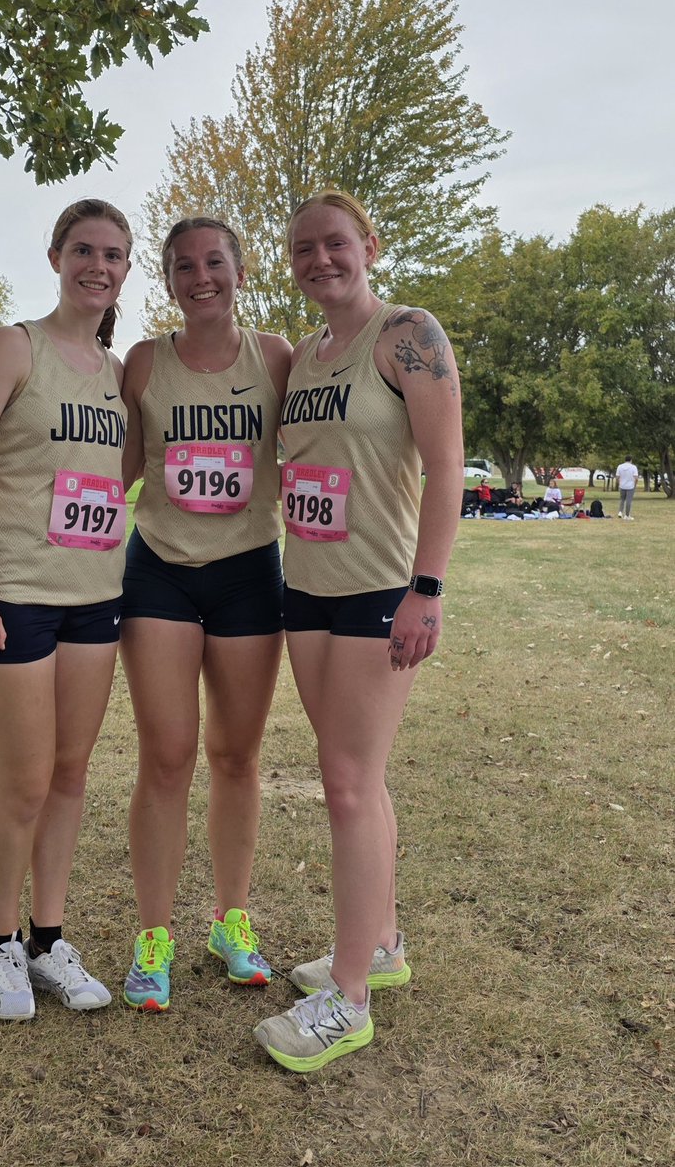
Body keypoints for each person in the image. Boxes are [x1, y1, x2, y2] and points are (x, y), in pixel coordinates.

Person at [252, 190, 463, 1072]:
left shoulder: (408, 333)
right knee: (354, 779)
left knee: (345, 783)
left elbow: (446, 460)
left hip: (381, 589)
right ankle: (378, 943)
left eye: (334, 243)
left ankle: (347, 998)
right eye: (302, 248)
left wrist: (428, 588)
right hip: (306, 586)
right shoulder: (305, 355)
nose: (318, 259)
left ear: (368, 245)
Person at [0, 199, 132, 1020]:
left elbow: (119, 476)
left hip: (95, 600)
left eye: (114, 254)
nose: (98, 264)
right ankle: (0, 946)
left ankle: (50, 940)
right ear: (55, 256)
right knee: (21, 784)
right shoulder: (12, 346)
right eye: (83, 249)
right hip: (12, 600)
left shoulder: (122, 374)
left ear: (127, 269)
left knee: (69, 776)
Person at [119, 216, 292, 1012]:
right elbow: (114, 461)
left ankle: (231, 921)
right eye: (183, 265)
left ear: (239, 270)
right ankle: (153, 936)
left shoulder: (276, 356)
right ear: (168, 280)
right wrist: (14, 457)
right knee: (166, 756)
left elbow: (323, 438)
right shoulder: (146, 361)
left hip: (249, 574)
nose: (201, 276)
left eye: (214, 262)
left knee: (235, 756)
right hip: (160, 572)